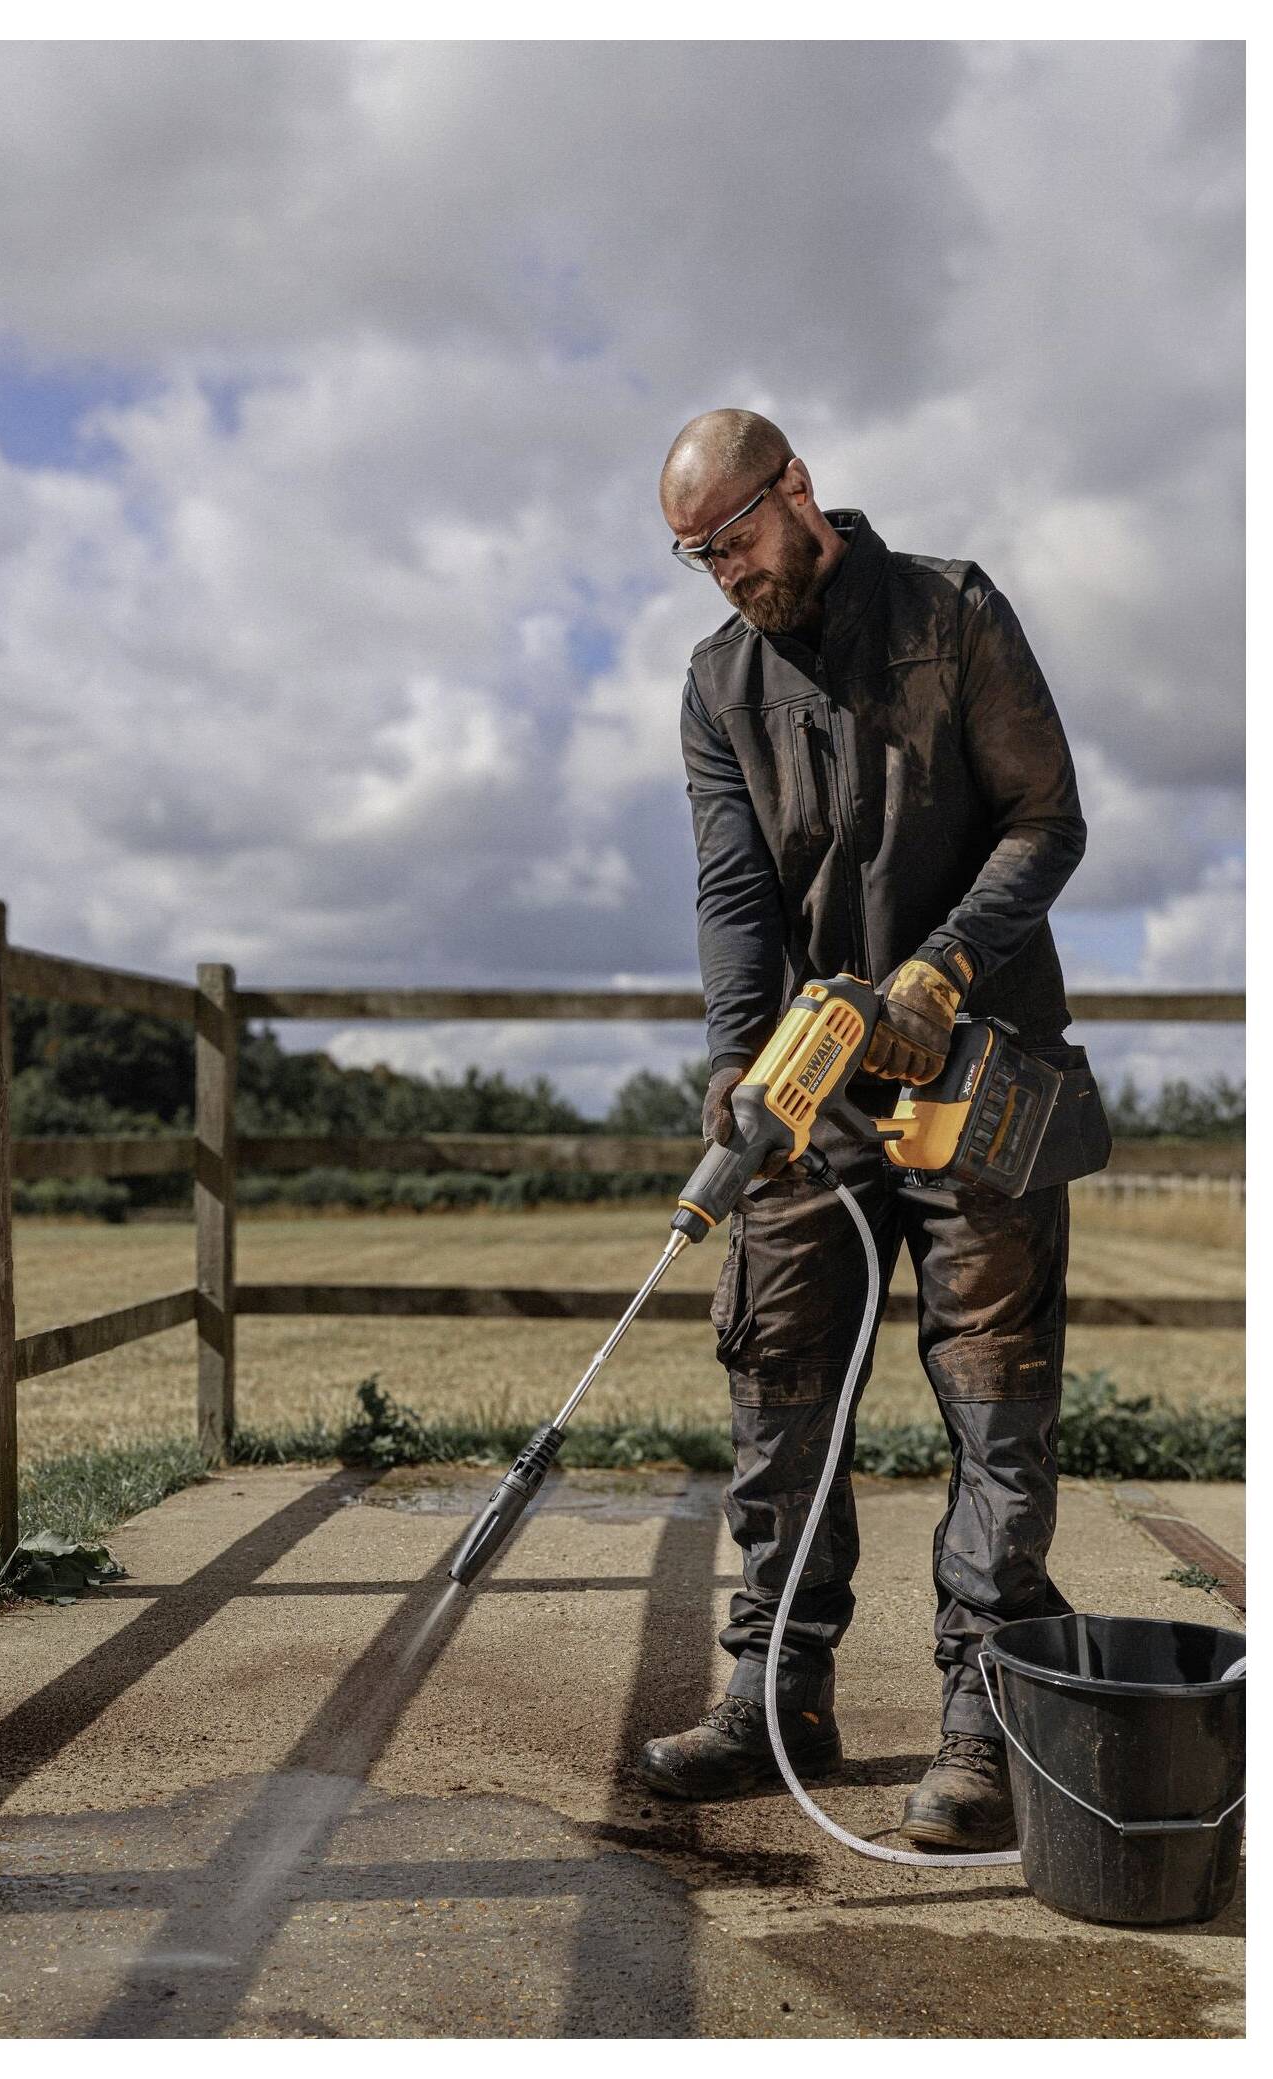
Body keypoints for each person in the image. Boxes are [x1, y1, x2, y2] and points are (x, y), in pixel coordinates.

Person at [637, 409, 1109, 1851]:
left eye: (734, 537)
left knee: (993, 1392)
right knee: (775, 1370)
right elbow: (732, 897)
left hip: (977, 1064)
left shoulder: (948, 613)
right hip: (817, 1078)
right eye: (692, 554)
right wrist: (739, 1062)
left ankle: (978, 1723)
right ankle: (774, 1690)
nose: (722, 572)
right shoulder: (718, 684)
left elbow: (1046, 819)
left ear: (799, 491)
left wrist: (941, 967)